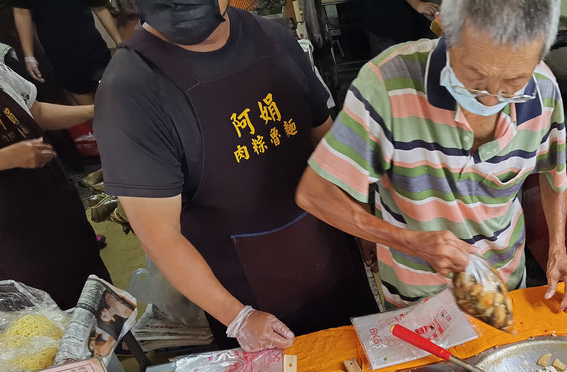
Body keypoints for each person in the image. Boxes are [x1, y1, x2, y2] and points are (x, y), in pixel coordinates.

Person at [95, 0, 376, 351]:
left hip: (335, 259)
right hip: (248, 294)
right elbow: (159, 236)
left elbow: (325, 140)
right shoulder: (130, 89)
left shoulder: (274, 38)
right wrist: (239, 317)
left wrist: (359, 217)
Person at [296, 0, 567, 314]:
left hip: (504, 289)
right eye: (475, 78)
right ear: (444, 26)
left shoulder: (543, 89)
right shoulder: (387, 83)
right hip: (416, 299)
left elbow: (553, 175)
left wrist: (558, 249)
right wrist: (408, 241)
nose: (490, 98)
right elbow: (315, 194)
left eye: (513, 84)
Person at [0, 0, 111, 310]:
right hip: (7, 231)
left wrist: (94, 110)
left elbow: (33, 110)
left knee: (91, 281)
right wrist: (9, 157)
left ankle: (114, 348)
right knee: (45, 306)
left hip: (53, 202)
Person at [11, 0, 122, 105]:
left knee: (116, 95)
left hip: (91, 43)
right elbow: (22, 12)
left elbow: (99, 7)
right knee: (83, 97)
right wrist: (29, 56)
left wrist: (119, 42)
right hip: (59, 53)